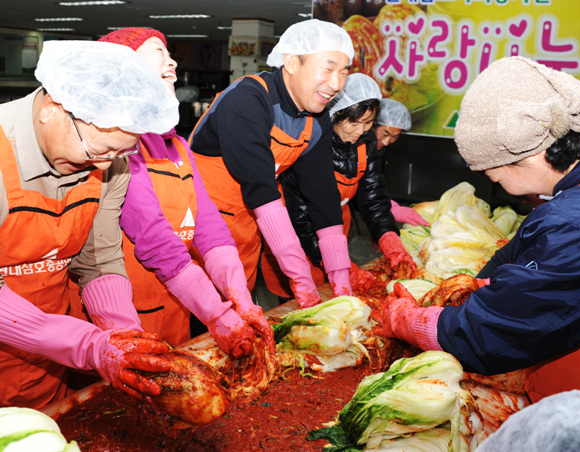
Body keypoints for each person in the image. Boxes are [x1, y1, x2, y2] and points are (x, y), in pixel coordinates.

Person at [373, 56, 580, 403]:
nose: (494, 182)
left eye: (491, 173)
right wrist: (478, 284)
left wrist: (410, 322)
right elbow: (526, 250)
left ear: (528, 155)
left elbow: (491, 334)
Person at [0, 40, 179, 409]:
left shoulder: (110, 163)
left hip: (44, 364)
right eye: (95, 151)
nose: (102, 167)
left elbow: (98, 257)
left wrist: (124, 338)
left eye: (118, 153)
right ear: (52, 108)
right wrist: (88, 346)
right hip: (52, 337)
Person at [94, 28, 274, 357]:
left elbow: (208, 224)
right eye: (159, 52)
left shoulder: (177, 144)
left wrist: (240, 297)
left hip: (180, 302)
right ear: (123, 68)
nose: (173, 62)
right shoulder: (116, 147)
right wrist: (217, 313)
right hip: (127, 315)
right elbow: (154, 237)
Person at [189, 19, 355, 308]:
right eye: (328, 68)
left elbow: (323, 193)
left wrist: (340, 275)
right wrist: (300, 275)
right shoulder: (248, 99)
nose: (336, 84)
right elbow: (261, 186)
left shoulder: (317, 119)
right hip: (200, 229)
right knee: (200, 321)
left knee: (241, 313)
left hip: (252, 225)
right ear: (291, 62)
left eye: (343, 72)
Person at [277, 73, 417, 294]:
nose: (360, 131)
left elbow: (373, 199)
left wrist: (389, 238)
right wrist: (338, 264)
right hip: (296, 237)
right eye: (354, 122)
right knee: (302, 301)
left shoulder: (367, 143)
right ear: (336, 114)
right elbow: (301, 217)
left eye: (368, 123)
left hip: (336, 228)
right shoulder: (310, 144)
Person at [373, 98, 429, 227]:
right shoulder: (357, 146)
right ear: (372, 125)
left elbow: (375, 183)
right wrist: (387, 205)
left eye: (394, 137)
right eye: (384, 133)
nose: (387, 142)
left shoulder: (383, 150)